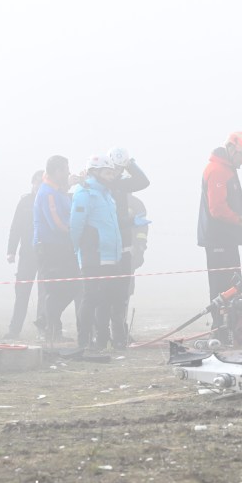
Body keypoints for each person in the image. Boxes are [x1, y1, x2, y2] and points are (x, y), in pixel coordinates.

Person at [197, 131, 242, 332]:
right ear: (232, 149)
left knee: (233, 284)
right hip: (218, 240)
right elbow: (218, 209)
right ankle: (220, 328)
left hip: (227, 239)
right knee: (221, 287)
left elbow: (234, 203)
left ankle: (232, 327)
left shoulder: (228, 170)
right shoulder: (217, 170)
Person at [94, 147, 149, 350]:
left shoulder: (124, 189)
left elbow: (144, 182)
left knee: (122, 294)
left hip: (126, 249)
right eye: (110, 170)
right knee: (103, 294)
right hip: (105, 250)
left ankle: (120, 335)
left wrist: (130, 164)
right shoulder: (97, 188)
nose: (114, 174)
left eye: (117, 170)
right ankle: (100, 335)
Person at [70, 154, 123, 350]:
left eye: (112, 173)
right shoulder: (84, 193)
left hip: (111, 256)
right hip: (94, 255)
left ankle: (102, 339)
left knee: (107, 299)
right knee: (91, 297)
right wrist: (76, 249)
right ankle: (83, 340)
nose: (111, 176)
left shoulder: (107, 194)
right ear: (95, 172)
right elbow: (76, 225)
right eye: (107, 173)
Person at [34, 155, 80, 342]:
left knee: (73, 286)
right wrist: (78, 229)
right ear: (57, 171)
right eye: (66, 169)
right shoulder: (48, 193)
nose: (68, 173)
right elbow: (58, 224)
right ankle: (50, 327)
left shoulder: (58, 191)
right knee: (54, 289)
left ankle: (47, 321)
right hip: (50, 247)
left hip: (62, 247)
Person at [5, 170, 45, 339]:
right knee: (22, 293)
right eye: (36, 182)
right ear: (32, 184)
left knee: (44, 294)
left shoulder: (52, 200)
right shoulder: (24, 202)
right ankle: (14, 330)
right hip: (27, 255)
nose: (38, 186)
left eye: (42, 183)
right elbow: (16, 227)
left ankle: (44, 330)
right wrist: (11, 250)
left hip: (46, 255)